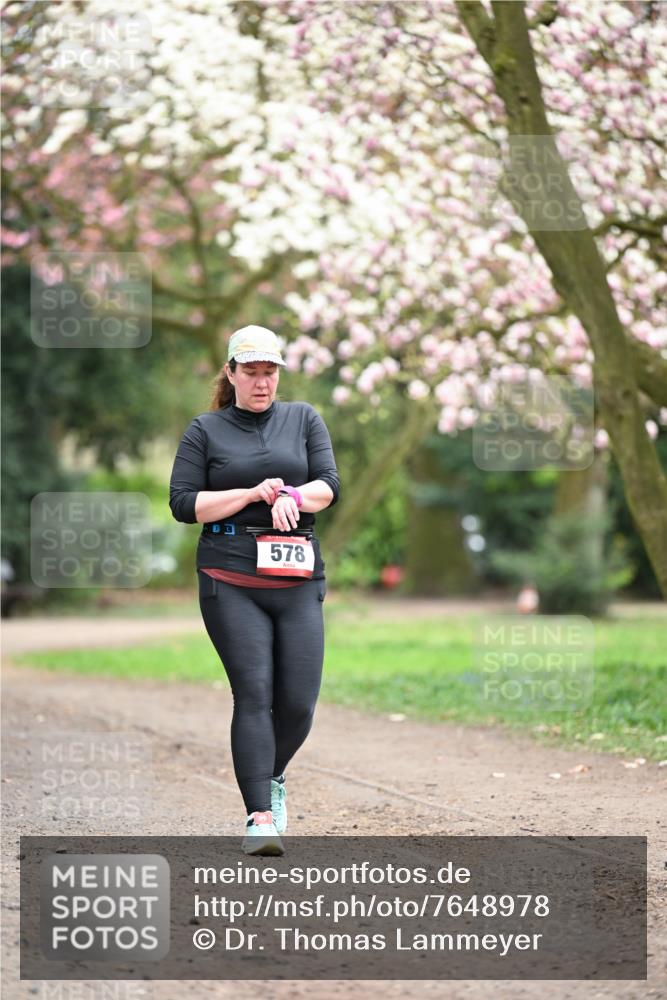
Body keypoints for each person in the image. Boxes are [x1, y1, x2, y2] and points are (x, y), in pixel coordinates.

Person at [169, 325, 340, 856]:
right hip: (230, 577)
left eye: (270, 373)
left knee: (299, 704)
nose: (262, 383)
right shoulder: (206, 430)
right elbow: (183, 504)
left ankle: (271, 777)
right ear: (231, 373)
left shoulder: (304, 419)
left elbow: (328, 485)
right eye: (252, 373)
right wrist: (251, 491)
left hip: (295, 576)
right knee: (255, 694)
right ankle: (260, 817)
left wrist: (290, 491)